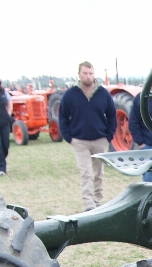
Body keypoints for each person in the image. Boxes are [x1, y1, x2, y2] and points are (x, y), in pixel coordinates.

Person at [58, 61, 116, 210]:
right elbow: (63, 117)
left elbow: (111, 115)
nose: (88, 76)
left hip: (100, 139)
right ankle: (89, 204)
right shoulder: (70, 95)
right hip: (79, 140)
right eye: (85, 73)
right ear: (79, 74)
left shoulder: (103, 93)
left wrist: (108, 136)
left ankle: (97, 201)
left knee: (98, 173)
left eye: (90, 73)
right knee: (86, 173)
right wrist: (68, 137)